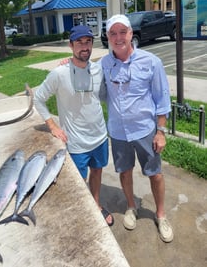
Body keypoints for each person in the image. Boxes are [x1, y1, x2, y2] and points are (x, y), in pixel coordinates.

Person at [101, 14, 174, 242]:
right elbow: (83, 70)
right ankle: (131, 206)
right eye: (113, 33)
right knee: (124, 171)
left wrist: (160, 132)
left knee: (155, 174)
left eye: (123, 32)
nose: (118, 37)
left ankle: (160, 215)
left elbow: (162, 99)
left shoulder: (151, 61)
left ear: (131, 34)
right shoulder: (104, 63)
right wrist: (67, 62)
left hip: (145, 130)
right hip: (118, 131)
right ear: (107, 37)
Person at [34, 25, 114, 226]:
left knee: (97, 172)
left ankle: (95, 204)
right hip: (76, 142)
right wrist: (52, 126)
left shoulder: (98, 69)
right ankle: (81, 212)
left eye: (88, 42)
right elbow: (38, 99)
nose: (84, 47)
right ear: (71, 45)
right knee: (78, 182)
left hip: (99, 137)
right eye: (79, 42)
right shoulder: (59, 74)